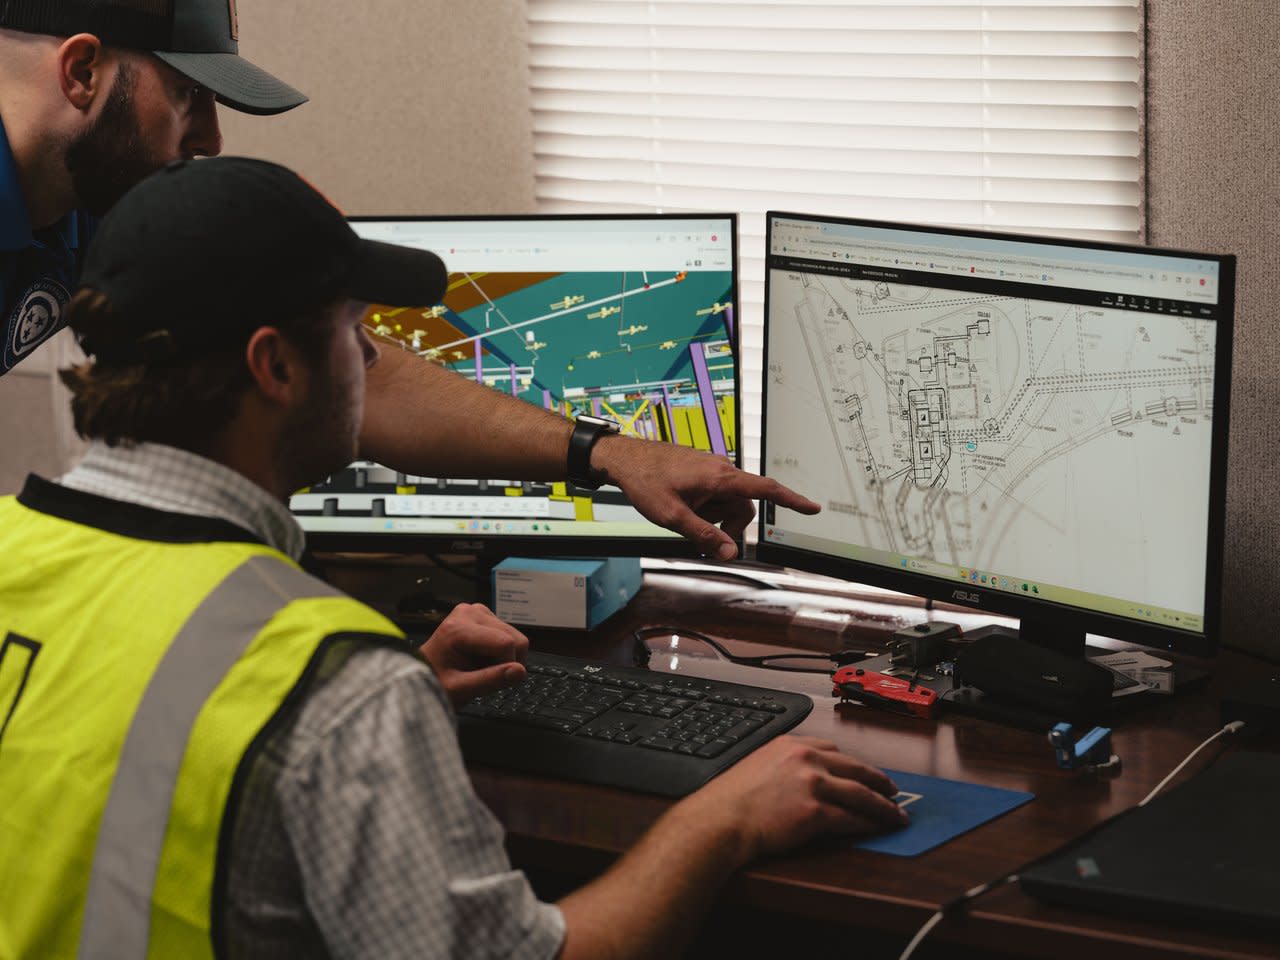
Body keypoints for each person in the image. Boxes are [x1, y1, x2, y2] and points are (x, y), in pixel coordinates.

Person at [0, 157, 908, 959]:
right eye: (355, 332)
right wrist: (721, 821)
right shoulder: (331, 680)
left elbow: (98, 741)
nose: (368, 361)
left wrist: (313, 742)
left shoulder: (16, 548)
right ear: (274, 368)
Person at [0, 0, 817, 566]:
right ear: (80, 73)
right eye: (186, 99)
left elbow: (342, 371)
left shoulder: (92, 207)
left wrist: (604, 452)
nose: (212, 140)